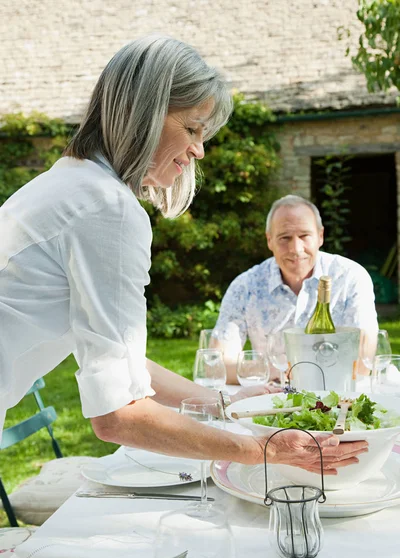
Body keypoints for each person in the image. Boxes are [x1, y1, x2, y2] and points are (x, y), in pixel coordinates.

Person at [0, 37, 367, 475]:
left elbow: (117, 358)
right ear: (145, 113)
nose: (199, 150)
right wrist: (261, 450)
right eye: (192, 128)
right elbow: (118, 415)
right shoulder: (107, 208)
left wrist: (224, 401)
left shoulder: (69, 184)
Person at [214, 195, 378, 383]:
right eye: (285, 238)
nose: (296, 248)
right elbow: (218, 364)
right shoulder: (245, 286)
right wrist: (274, 372)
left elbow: (363, 361)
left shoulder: (350, 277)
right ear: (269, 240)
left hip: (339, 397)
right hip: (271, 396)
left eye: (304, 236)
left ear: (320, 236)